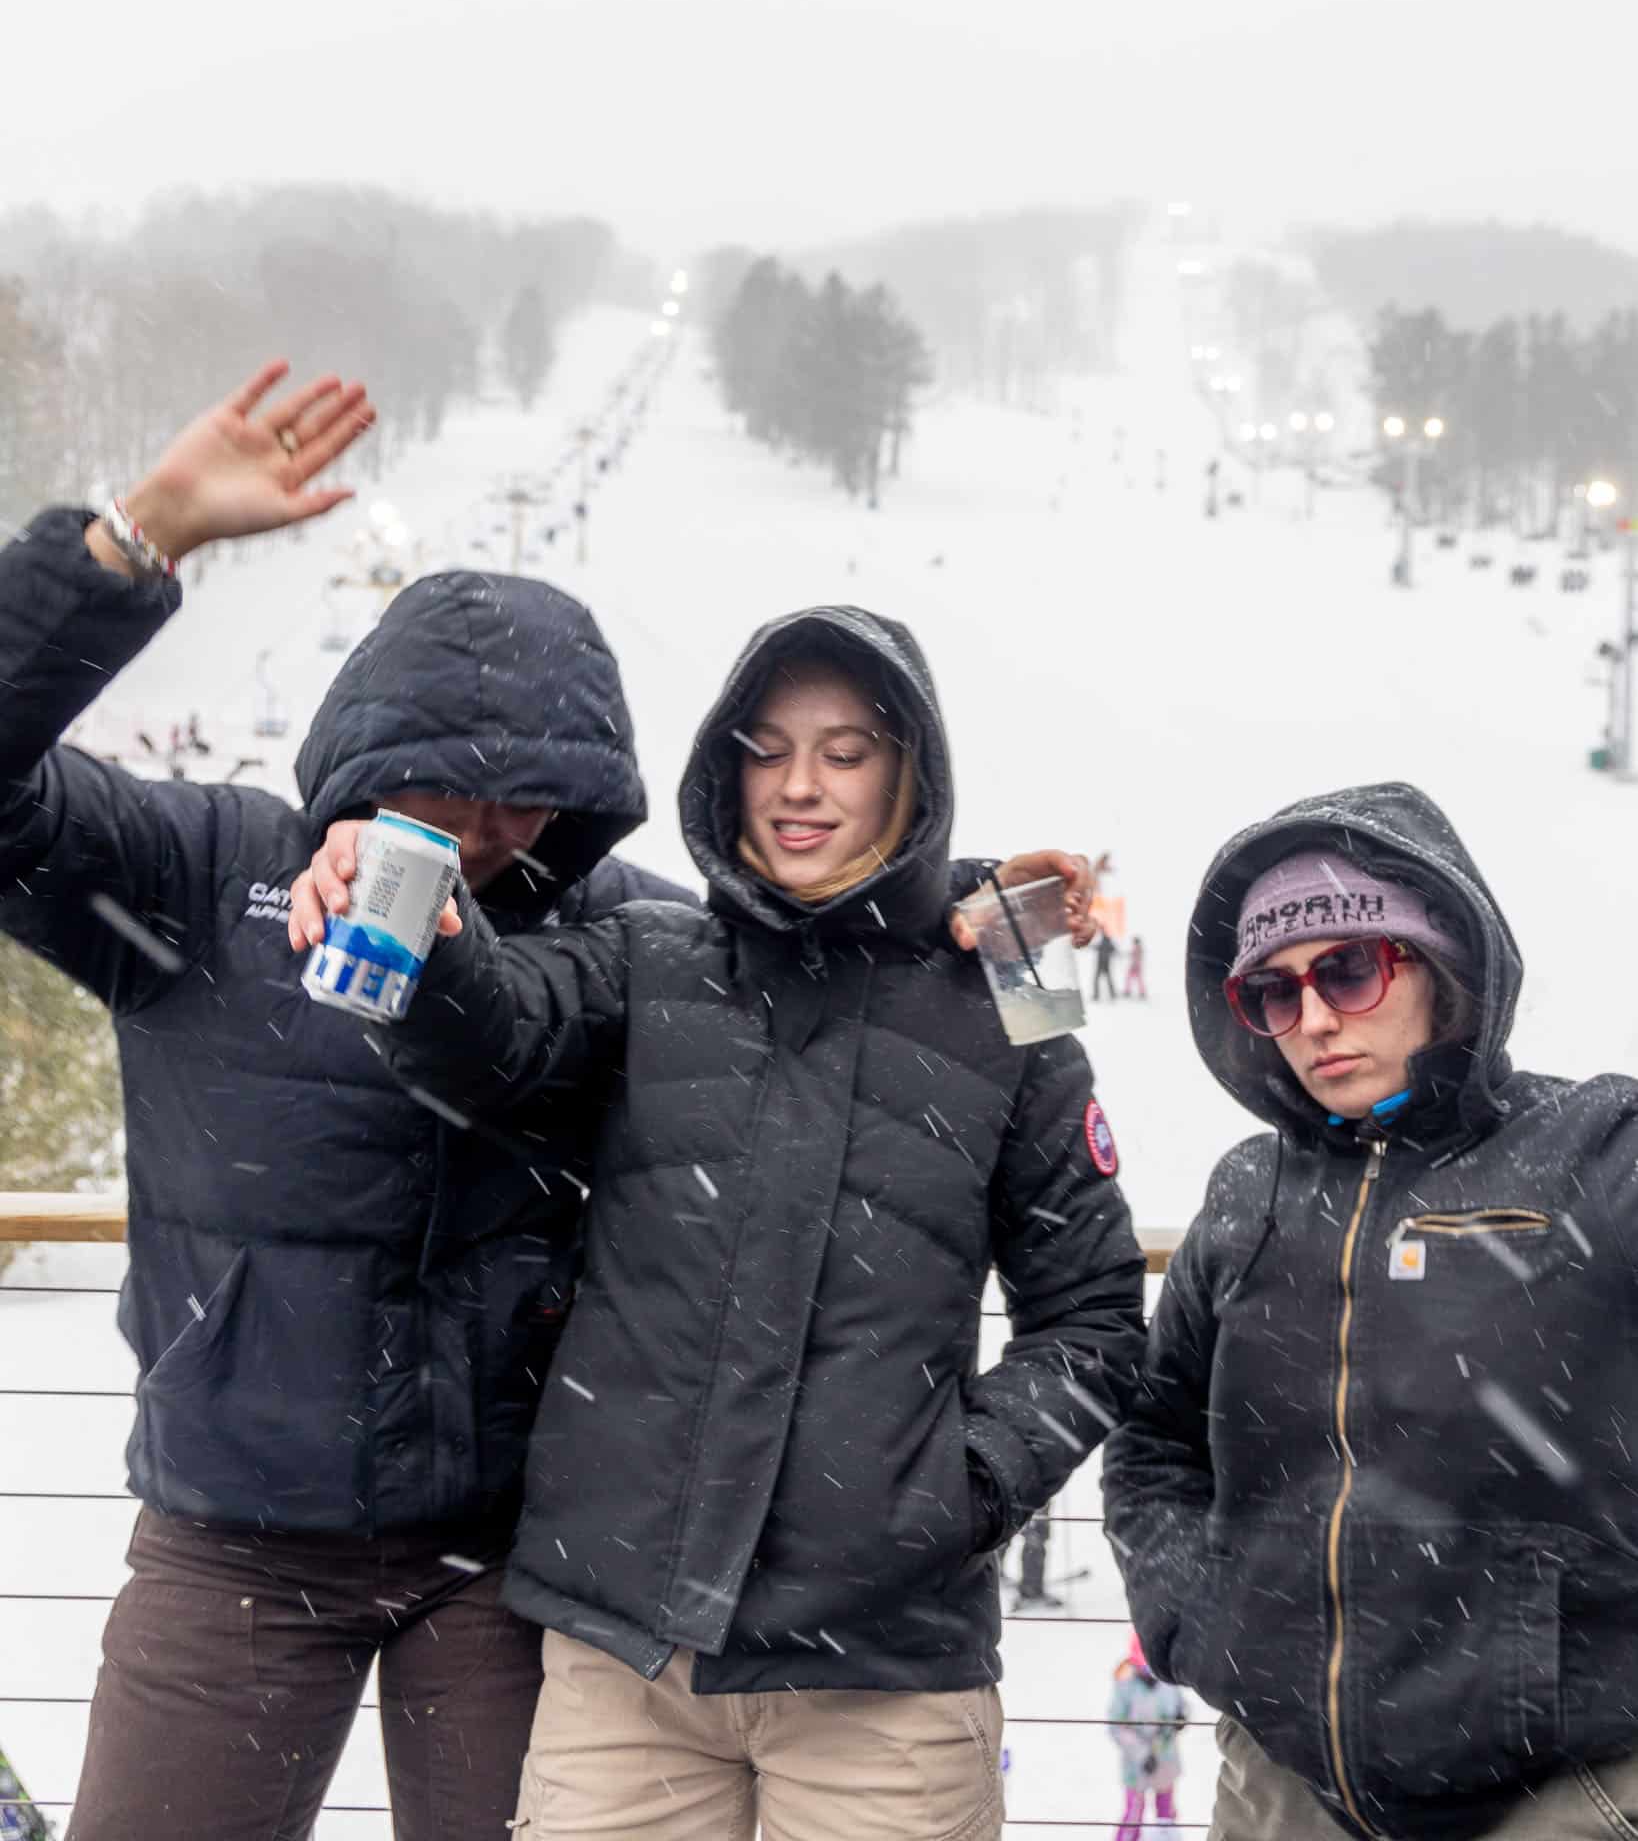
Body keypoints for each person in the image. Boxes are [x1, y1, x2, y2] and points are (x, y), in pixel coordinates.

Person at [294, 604, 1149, 1841]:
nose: (800, 785)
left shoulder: (1005, 1012)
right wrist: (411, 914)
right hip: (625, 1663)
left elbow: (1096, 1317)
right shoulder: (650, 960)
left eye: (847, 752)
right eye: (767, 745)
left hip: (887, 1679)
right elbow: (496, 1022)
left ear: (912, 773)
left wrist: (953, 1493)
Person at [0, 361, 693, 1841]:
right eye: (443, 784)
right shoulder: (199, 879)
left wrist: (959, 914)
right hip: (232, 1544)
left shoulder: (616, 930)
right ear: (366, 744)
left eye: (531, 797)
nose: (490, 830)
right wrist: (135, 540)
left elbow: (808, 996)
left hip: (517, 1561)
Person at [1103, 781, 1638, 1841]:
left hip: (1565, 1790)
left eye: (1348, 969)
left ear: (1441, 964)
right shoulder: (1248, 1190)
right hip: (1285, 1785)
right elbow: (1154, 1438)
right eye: (1273, 991)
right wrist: (1201, 1621)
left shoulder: (1602, 1149)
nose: (1312, 1020)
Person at [1108, 1629, 1185, 1840]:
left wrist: (1181, 1717)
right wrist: (1142, 1754)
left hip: (1166, 1757)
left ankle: (1166, 1836)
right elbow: (1116, 1726)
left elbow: (1180, 1705)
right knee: (1133, 1813)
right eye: (1145, 1666)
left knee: (1166, 1813)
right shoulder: (1125, 1686)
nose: (1151, 1672)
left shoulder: (1168, 1679)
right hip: (1137, 1764)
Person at [1092, 928, 1120, 1001]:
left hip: (1104, 963)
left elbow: (1113, 950)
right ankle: (1108, 994)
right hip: (1102, 963)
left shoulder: (1107, 941)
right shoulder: (1105, 941)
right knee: (1101, 979)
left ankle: (1108, 994)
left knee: (1104, 979)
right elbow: (1098, 947)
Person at [1122, 933, 1146, 1000]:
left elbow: (1137, 957)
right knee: (1135, 979)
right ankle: (1140, 992)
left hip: (1135, 966)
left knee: (1133, 979)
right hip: (1136, 966)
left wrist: (1135, 965)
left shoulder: (1138, 948)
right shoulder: (1137, 948)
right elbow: (1132, 954)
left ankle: (1132, 991)